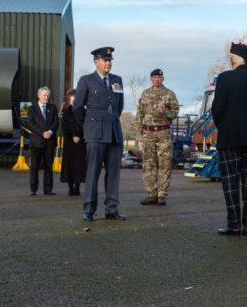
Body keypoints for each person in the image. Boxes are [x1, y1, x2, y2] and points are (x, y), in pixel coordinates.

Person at [211, 43, 247, 236]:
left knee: (231, 183)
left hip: (231, 137)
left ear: (233, 59)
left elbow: (217, 109)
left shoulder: (225, 78)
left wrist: (224, 126)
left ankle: (234, 223)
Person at [73, 47, 126, 221]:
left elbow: (119, 106)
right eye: (105, 60)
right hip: (95, 134)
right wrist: (88, 126)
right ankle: (89, 210)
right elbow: (78, 108)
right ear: (96, 62)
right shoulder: (86, 80)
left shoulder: (117, 80)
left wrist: (112, 120)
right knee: (92, 172)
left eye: (110, 60)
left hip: (114, 132)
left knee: (113, 173)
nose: (108, 63)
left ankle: (111, 209)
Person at [136, 69, 179, 206]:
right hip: (148, 134)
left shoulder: (169, 94)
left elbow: (175, 113)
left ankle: (162, 195)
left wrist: (165, 111)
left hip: (163, 133)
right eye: (154, 77)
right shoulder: (145, 93)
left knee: (165, 164)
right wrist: (139, 135)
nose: (157, 79)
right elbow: (139, 115)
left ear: (163, 78)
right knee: (148, 165)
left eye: (159, 77)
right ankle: (151, 194)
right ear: (151, 79)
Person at [27, 87, 59, 196]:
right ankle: (33, 189)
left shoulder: (53, 107)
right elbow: (30, 124)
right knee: (35, 166)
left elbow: (56, 122)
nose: (46, 97)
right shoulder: (32, 108)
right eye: (44, 95)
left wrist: (49, 131)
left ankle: (48, 189)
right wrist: (43, 133)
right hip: (37, 142)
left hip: (49, 142)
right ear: (39, 95)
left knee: (48, 167)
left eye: (48, 95)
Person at [60, 89, 86, 196]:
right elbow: (64, 126)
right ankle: (70, 187)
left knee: (79, 165)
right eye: (72, 100)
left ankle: (77, 187)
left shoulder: (83, 111)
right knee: (69, 165)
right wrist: (72, 136)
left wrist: (80, 136)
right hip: (70, 143)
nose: (73, 102)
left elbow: (86, 125)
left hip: (81, 142)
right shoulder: (66, 111)